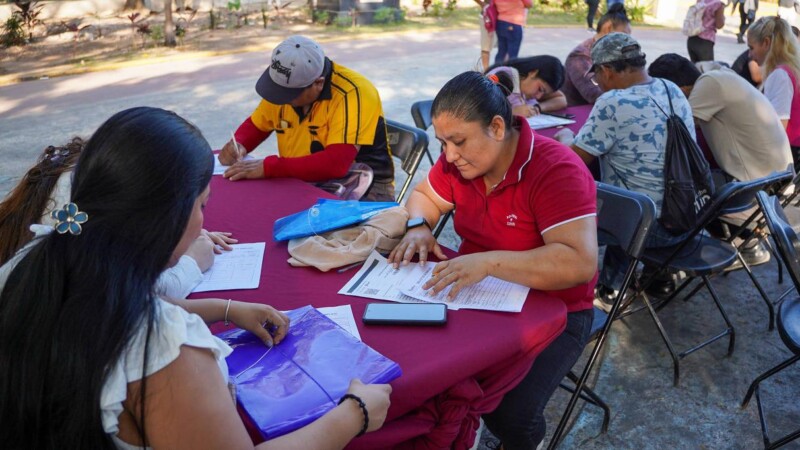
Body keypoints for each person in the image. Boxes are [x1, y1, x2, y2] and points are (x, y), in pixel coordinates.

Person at [0, 107, 391, 448]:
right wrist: (354, 414)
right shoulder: (165, 346)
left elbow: (104, 302)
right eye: (202, 204)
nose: (204, 221)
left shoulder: (39, 258)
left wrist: (223, 308)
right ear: (168, 215)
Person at [388, 71, 598, 450]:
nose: (448, 155)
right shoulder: (460, 163)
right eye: (442, 143)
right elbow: (424, 195)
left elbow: (578, 263)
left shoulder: (556, 168)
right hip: (477, 294)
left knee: (510, 415)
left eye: (458, 141)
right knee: (417, 370)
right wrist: (419, 226)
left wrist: (486, 263)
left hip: (556, 309)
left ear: (497, 127)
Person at [554, 33, 695, 296]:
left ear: (606, 70)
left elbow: (571, 161)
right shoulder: (671, 88)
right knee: (629, 187)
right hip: (686, 217)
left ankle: (603, 287)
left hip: (644, 227)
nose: (599, 84)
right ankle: (640, 277)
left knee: (568, 199)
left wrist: (564, 136)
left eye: (596, 77)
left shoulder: (613, 102)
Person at [649, 53, 792, 266]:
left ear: (677, 90)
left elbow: (672, 128)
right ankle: (746, 243)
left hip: (753, 192)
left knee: (675, 192)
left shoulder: (709, 85)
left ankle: (662, 269)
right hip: (773, 184)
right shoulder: (720, 76)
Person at [218, 35, 395, 201]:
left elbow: (336, 163)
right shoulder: (288, 84)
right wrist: (239, 144)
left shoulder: (354, 92)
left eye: (289, 94)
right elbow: (257, 125)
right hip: (302, 178)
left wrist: (268, 167)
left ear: (318, 83)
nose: (281, 99)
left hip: (361, 185)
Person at [747, 16, 800, 166]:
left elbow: (777, 128)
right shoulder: (791, 69)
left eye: (751, 47)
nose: (750, 55)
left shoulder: (780, 74)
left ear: (766, 43)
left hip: (791, 156)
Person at [562, 4, 631, 106]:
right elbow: (594, 94)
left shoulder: (614, 52)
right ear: (608, 28)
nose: (627, 41)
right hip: (580, 113)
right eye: (624, 35)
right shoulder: (580, 56)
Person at [485, 55, 567, 117]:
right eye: (540, 89)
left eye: (544, 93)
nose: (538, 97)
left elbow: (561, 99)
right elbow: (480, 109)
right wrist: (512, 112)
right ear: (533, 72)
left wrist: (537, 107)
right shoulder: (503, 77)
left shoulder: (526, 90)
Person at [475, 0, 497, 70]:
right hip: (489, 15)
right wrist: (483, 4)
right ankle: (486, 71)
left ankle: (502, 72)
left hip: (505, 16)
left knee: (505, 48)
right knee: (486, 47)